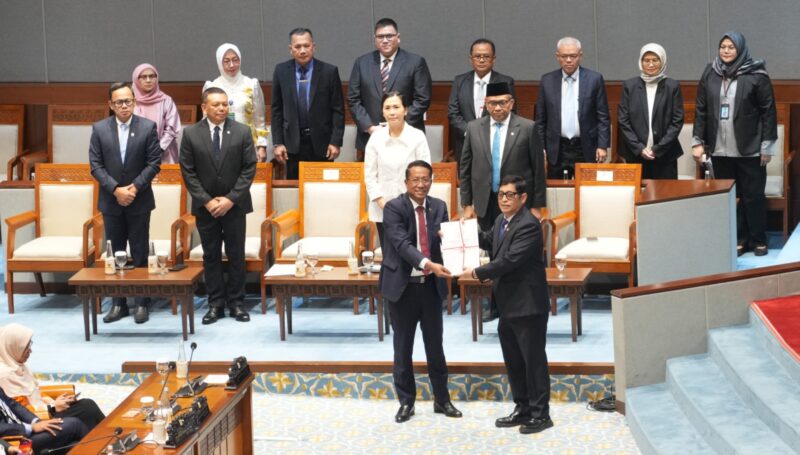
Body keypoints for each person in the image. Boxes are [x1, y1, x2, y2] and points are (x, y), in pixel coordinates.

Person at [459, 175, 552, 435]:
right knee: (514, 361)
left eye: (510, 195)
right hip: (507, 305)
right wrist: (463, 231)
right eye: (501, 194)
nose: (503, 199)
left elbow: (509, 261)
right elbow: (489, 241)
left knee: (533, 361)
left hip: (528, 305)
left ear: (523, 198)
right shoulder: (502, 220)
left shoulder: (529, 225)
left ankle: (541, 414)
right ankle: (522, 408)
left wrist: (476, 272)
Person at [379, 160, 461, 423]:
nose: (420, 184)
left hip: (430, 288)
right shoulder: (394, 208)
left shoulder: (439, 206)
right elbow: (402, 245)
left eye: (425, 179)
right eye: (415, 179)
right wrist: (428, 264)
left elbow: (446, 241)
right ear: (406, 183)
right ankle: (406, 402)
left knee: (435, 346)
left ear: (431, 181)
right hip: (403, 288)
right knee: (402, 348)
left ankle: (442, 399)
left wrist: (451, 240)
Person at [460, 81, 546, 322]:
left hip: (516, 202)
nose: (497, 107)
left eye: (502, 102)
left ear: (511, 103)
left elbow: (538, 169)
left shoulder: (527, 127)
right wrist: (466, 203)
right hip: (486, 200)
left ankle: (514, 300)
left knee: (511, 253)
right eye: (492, 103)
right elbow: (465, 168)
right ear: (485, 105)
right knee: (491, 250)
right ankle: (493, 303)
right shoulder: (474, 127)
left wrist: (538, 206)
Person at [693, 31, 777, 257]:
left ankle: (758, 239)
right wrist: (697, 142)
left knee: (753, 195)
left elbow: (768, 112)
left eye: (731, 47)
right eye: (723, 46)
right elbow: (701, 108)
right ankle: (739, 238)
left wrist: (767, 146)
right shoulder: (710, 72)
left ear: (740, 49)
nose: (726, 50)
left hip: (750, 148)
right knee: (732, 196)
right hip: (719, 148)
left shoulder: (756, 74)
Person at [180, 87, 257, 325]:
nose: (222, 108)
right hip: (206, 208)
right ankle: (215, 304)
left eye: (225, 104)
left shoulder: (242, 132)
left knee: (236, 255)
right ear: (204, 107)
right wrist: (208, 200)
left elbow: (249, 169)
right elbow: (188, 172)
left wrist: (230, 199)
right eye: (216, 104)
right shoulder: (191, 133)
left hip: (234, 206)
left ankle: (237, 303)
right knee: (211, 256)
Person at [89, 82, 162, 324]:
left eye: (128, 101)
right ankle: (118, 303)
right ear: (110, 104)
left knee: (140, 252)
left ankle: (141, 302)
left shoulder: (147, 127)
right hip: (111, 202)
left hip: (139, 200)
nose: (124, 106)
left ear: (135, 101)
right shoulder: (99, 129)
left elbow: (154, 163)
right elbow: (96, 166)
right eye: (119, 102)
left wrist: (133, 188)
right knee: (115, 253)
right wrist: (116, 190)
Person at [348, 18, 432, 160]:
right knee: (371, 179)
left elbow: (423, 99)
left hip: (405, 136)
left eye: (389, 36)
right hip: (371, 135)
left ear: (398, 38)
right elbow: (353, 99)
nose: (385, 40)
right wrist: (370, 127)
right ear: (375, 39)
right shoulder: (362, 63)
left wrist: (397, 125)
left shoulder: (415, 62)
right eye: (380, 36)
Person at [0, 324, 105, 430]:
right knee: (87, 409)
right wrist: (53, 407)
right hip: (39, 420)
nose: (30, 351)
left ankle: (109, 438)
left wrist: (55, 402)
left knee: (87, 405)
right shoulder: (5, 375)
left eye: (30, 345)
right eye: (25, 348)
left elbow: (35, 394)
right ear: (12, 347)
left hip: (46, 411)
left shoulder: (17, 365)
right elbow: (18, 412)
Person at [272, 28, 345, 179]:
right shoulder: (281, 71)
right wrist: (278, 143)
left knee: (323, 190)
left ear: (314, 46)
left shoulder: (329, 71)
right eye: (297, 47)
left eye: (306, 45)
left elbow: (338, 110)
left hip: (323, 144)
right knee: (296, 192)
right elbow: (276, 110)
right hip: (292, 145)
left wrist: (335, 141)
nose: (303, 50)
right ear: (290, 49)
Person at [536, 37, 610, 179]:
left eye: (573, 56)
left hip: (586, 146)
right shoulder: (547, 80)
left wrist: (602, 145)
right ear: (557, 57)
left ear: (580, 56)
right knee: (556, 191)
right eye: (564, 56)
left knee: (587, 191)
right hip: (557, 147)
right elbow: (541, 119)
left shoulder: (594, 79)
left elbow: (603, 116)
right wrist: (541, 148)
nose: (569, 60)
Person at [365, 91, 431, 248]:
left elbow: (425, 174)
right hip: (383, 208)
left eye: (396, 107)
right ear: (382, 111)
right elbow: (369, 175)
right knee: (389, 258)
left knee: (411, 255)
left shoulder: (417, 136)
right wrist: (383, 203)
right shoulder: (376, 138)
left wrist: (411, 201)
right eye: (387, 108)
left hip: (412, 206)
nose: (392, 112)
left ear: (405, 110)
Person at [617, 43, 684, 179]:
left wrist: (657, 149)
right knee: (637, 197)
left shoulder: (672, 86)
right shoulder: (630, 86)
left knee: (665, 197)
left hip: (665, 155)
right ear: (641, 62)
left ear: (663, 61)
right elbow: (623, 120)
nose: (651, 64)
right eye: (646, 60)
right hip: (635, 154)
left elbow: (677, 121)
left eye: (655, 60)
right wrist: (639, 148)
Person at [448, 38, 516, 164]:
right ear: (471, 59)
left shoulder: (505, 81)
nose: (481, 60)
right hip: (465, 143)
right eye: (477, 56)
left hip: (494, 141)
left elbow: (510, 113)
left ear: (493, 59)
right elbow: (453, 112)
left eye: (486, 56)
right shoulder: (459, 81)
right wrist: (469, 131)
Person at [203, 43, 269, 161]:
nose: (232, 65)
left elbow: (260, 119)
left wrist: (262, 146)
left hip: (247, 144)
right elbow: (206, 121)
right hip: (219, 145)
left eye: (235, 60)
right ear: (219, 62)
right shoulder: (211, 86)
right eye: (226, 61)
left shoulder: (251, 84)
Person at [0, 385, 87, 455]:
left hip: (24, 431)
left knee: (74, 444)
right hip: (14, 441)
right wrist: (32, 427)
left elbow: (13, 405)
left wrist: (37, 422)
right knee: (74, 424)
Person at [132, 63, 182, 163]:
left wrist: (158, 149)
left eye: (152, 76)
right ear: (136, 79)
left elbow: (171, 129)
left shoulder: (166, 100)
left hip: (164, 153)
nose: (148, 80)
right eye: (143, 77)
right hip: (136, 153)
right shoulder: (130, 101)